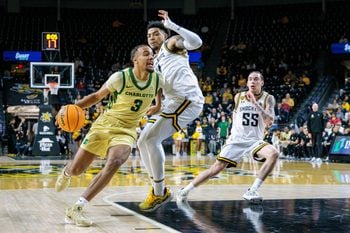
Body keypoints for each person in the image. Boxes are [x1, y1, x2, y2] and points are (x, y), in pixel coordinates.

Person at [54, 44, 163, 227]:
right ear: (135, 60)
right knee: (77, 170)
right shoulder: (120, 77)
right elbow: (96, 96)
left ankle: (77, 208)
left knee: (114, 162)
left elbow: (158, 98)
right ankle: (66, 171)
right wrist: (71, 108)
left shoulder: (158, 79)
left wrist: (157, 107)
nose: (151, 57)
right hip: (104, 126)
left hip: (127, 130)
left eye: (152, 55)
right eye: (146, 54)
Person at [177, 71, 279, 203]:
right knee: (216, 169)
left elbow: (269, 120)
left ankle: (252, 190)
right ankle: (185, 191)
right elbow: (235, 115)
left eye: (256, 79)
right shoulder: (239, 97)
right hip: (236, 140)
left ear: (262, 83)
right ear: (247, 83)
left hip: (255, 141)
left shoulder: (268, 98)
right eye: (250, 79)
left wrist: (255, 103)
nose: (253, 81)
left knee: (274, 154)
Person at [137, 10, 204, 212]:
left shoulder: (171, 44)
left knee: (151, 140)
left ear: (164, 35)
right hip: (171, 101)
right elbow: (158, 84)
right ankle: (158, 189)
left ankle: (159, 192)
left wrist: (172, 25)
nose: (152, 37)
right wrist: (157, 104)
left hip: (187, 99)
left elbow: (197, 43)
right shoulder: (154, 60)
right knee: (142, 141)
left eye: (156, 33)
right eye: (149, 35)